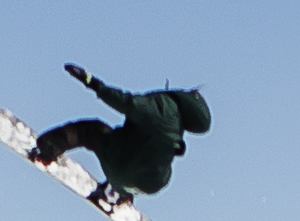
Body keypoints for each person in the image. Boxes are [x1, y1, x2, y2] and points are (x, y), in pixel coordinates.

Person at [28, 64, 212, 207]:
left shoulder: (163, 105)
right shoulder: (177, 127)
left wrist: (92, 82)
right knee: (134, 149)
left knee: (90, 130)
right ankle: (115, 194)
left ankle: (46, 151)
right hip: (151, 182)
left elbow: (127, 103)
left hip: (122, 162)